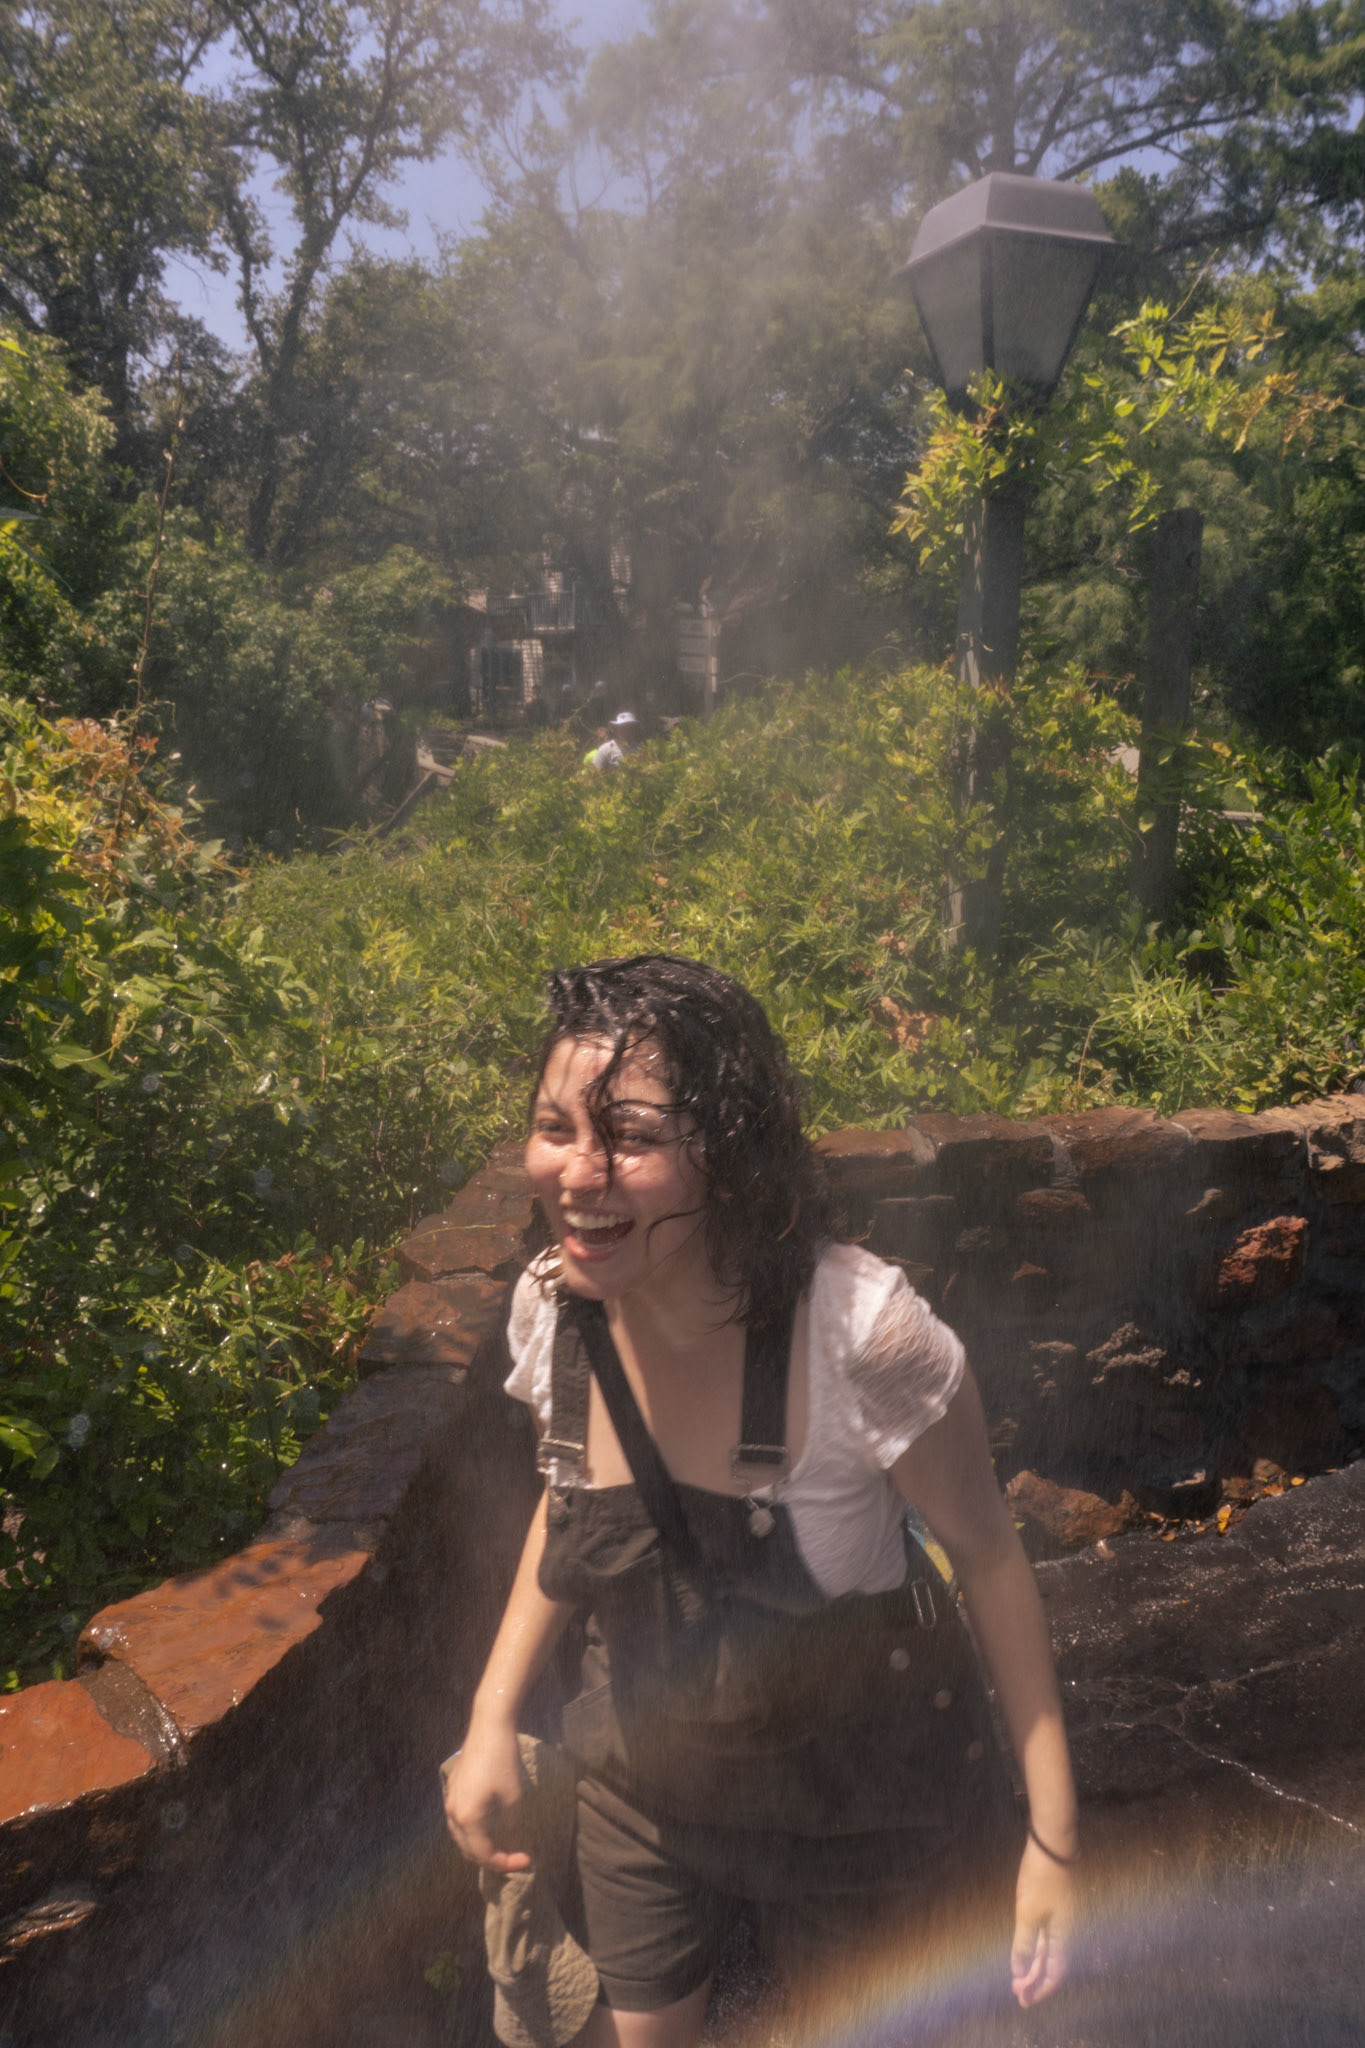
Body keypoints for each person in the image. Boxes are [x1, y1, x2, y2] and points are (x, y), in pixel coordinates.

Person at [445, 956, 1079, 2045]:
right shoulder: (551, 1313)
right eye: (556, 1128)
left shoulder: (860, 1337)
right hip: (642, 1778)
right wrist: (492, 1716)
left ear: (729, 1158)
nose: (579, 1173)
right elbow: (574, 1502)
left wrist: (1056, 1837)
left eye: (631, 1136)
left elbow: (987, 1553)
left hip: (864, 1797)